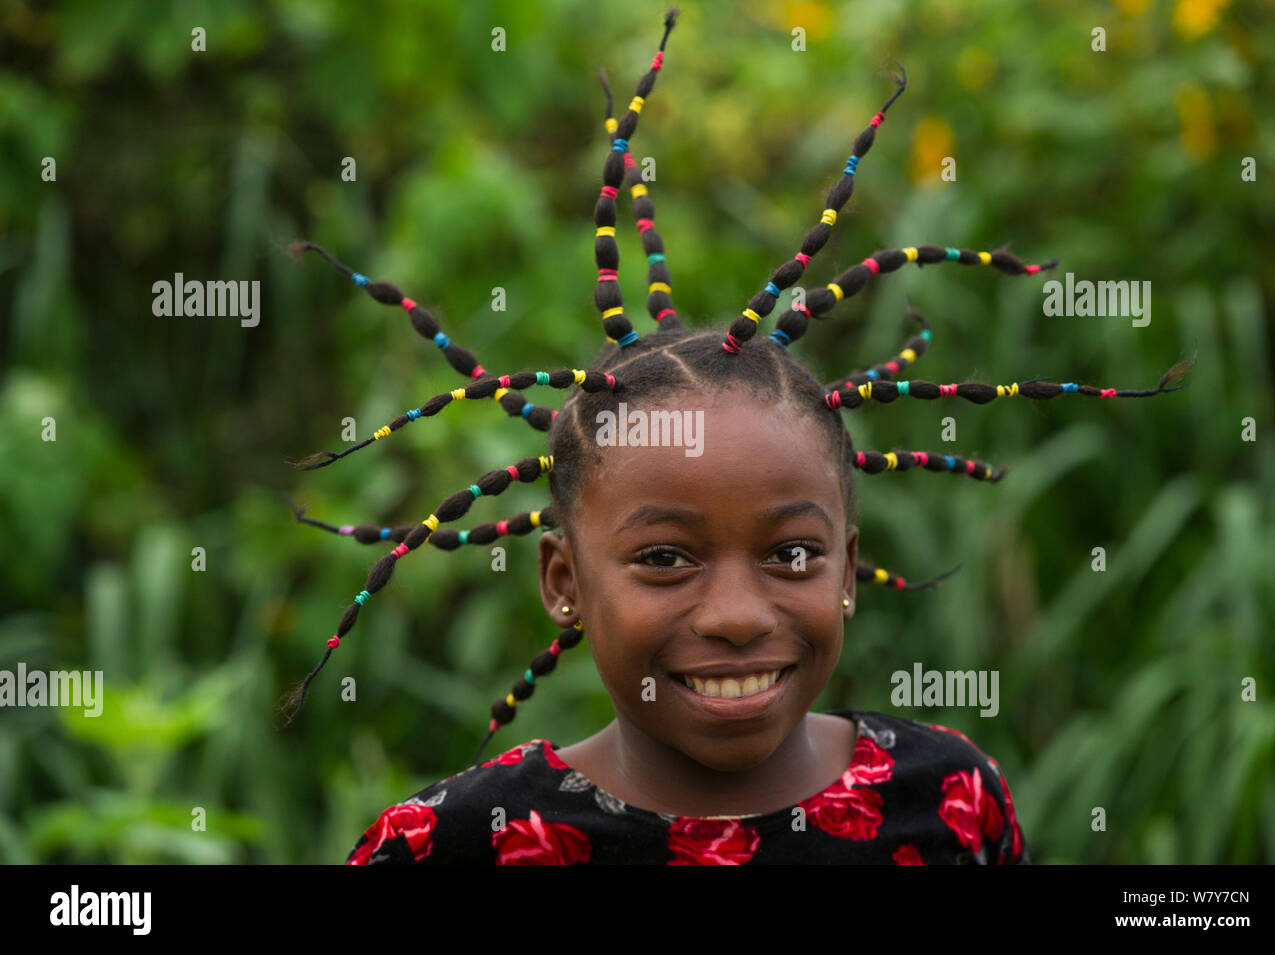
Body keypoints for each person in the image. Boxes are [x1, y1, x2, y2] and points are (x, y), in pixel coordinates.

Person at [277, 8, 1191, 864]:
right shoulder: (455, 844)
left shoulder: (945, 797)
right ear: (563, 578)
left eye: (793, 552)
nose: (737, 615)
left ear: (847, 566)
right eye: (666, 558)